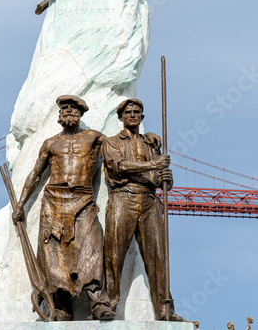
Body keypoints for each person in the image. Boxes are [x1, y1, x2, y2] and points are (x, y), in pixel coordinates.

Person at [12, 95, 114, 321]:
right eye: (64, 108)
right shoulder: (50, 143)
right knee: (54, 256)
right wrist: (21, 204)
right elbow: (35, 175)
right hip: (54, 200)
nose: (68, 111)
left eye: (73, 108)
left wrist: (144, 139)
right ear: (59, 114)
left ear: (81, 113)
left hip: (83, 199)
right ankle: (61, 307)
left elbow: (119, 150)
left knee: (92, 246)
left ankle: (98, 303)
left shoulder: (94, 138)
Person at [101, 98, 183, 321]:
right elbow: (118, 166)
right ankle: (108, 304)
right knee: (113, 255)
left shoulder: (151, 144)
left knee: (158, 256)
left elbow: (159, 179)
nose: (133, 115)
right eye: (128, 112)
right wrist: (153, 165)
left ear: (142, 117)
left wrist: (166, 178)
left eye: (137, 112)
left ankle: (166, 310)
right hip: (123, 198)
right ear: (121, 117)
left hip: (149, 200)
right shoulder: (111, 142)